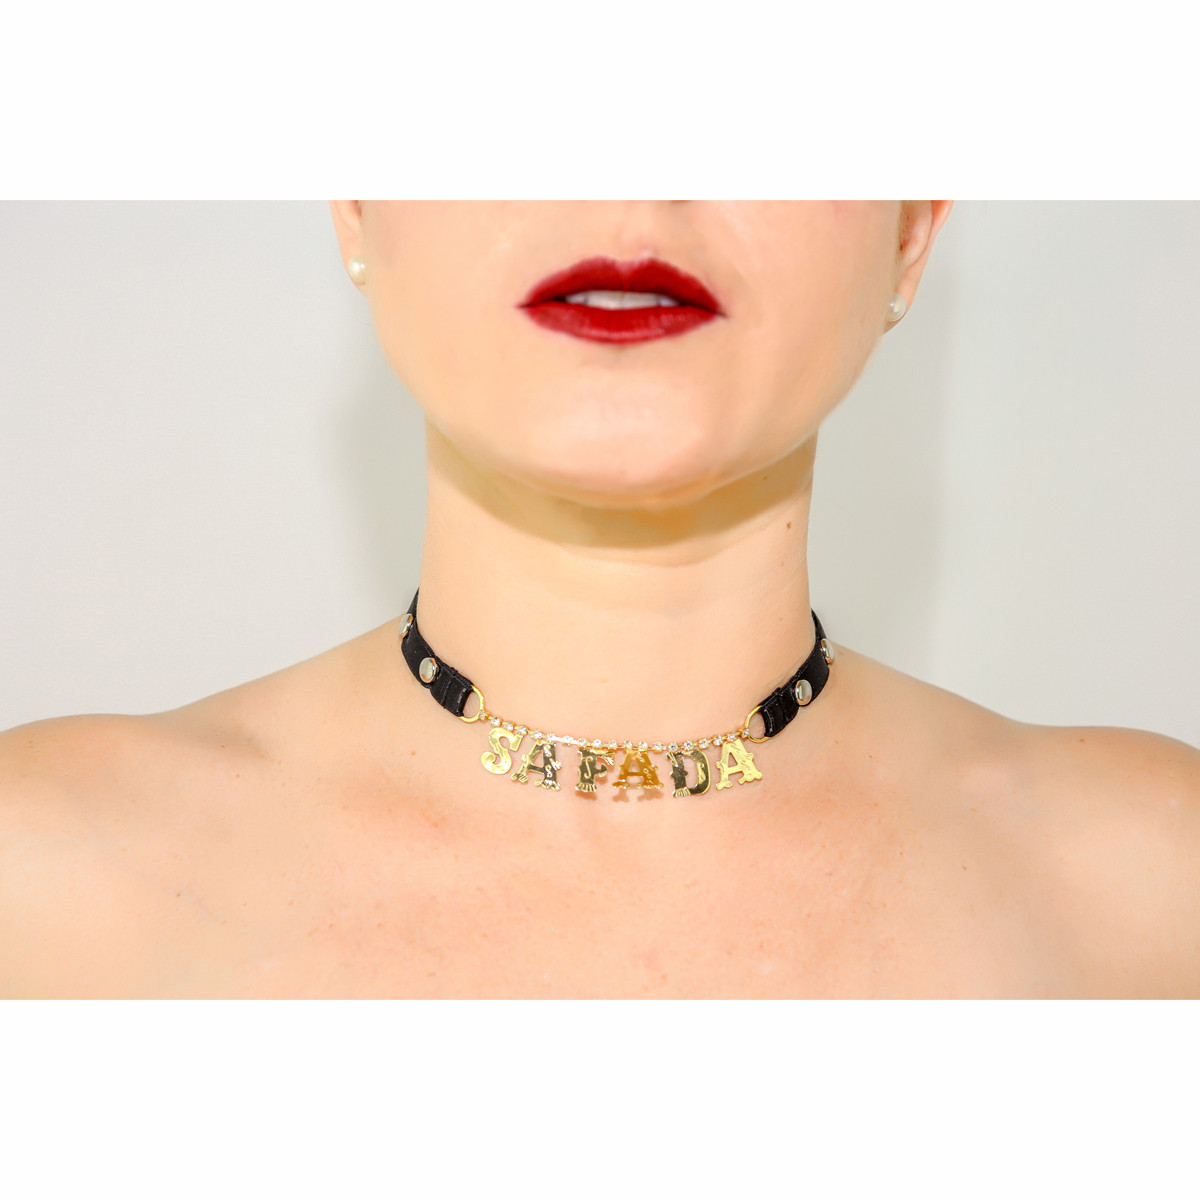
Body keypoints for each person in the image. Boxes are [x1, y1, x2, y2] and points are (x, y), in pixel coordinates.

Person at [1, 201, 1197, 999]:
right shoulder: (39, 887)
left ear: (912, 231)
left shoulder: (1158, 897)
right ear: (358, 203)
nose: (632, 188)